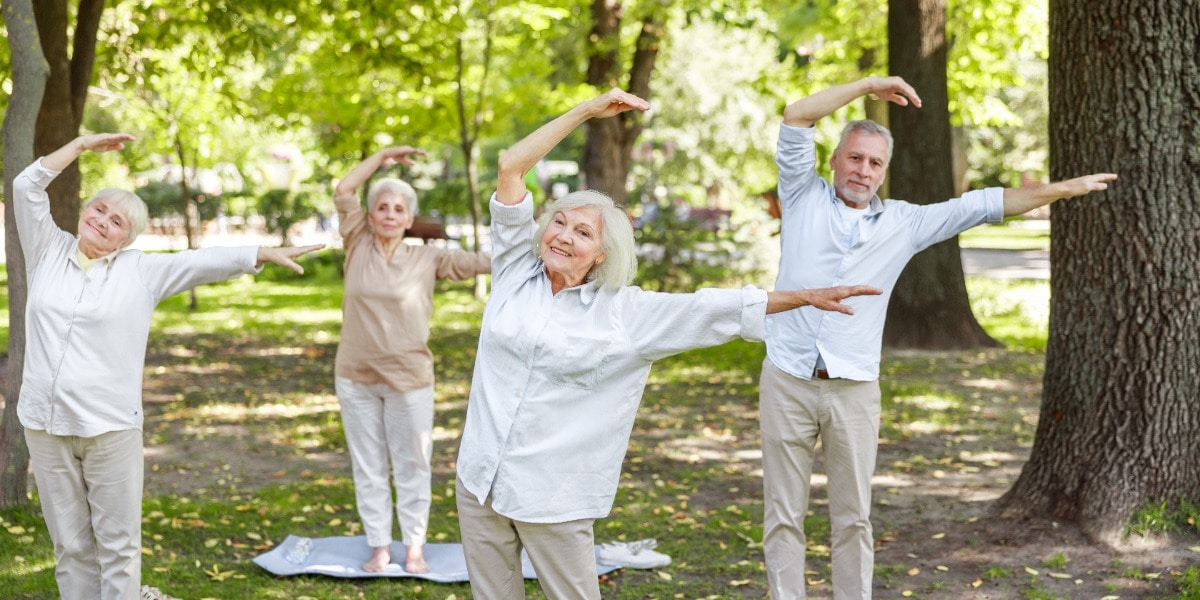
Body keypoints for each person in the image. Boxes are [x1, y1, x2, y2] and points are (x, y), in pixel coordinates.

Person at [453, 88, 883, 600]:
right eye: (559, 222)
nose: (564, 235)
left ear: (601, 254)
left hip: (554, 496)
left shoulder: (626, 313)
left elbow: (711, 308)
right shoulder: (513, 271)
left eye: (582, 232)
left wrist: (805, 296)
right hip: (479, 479)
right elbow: (510, 167)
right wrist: (587, 111)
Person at [759, 76, 1117, 599]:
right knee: (782, 515)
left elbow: (984, 204)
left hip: (854, 389)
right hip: (787, 377)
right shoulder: (801, 194)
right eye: (855, 158)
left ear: (885, 172)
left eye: (874, 163)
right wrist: (868, 87)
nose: (863, 171)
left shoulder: (904, 223)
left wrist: (1060, 190)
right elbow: (795, 114)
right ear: (834, 160)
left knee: (853, 518)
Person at [13, 133, 322, 600]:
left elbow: (199, 262)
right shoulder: (47, 251)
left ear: (127, 239)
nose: (103, 221)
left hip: (109, 429)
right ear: (84, 211)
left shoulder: (140, 271)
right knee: (70, 546)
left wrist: (259, 253)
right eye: (99, 209)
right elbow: (24, 186)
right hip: (44, 424)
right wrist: (79, 146)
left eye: (117, 222)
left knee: (118, 548)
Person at [332, 145, 491, 573]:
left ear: (408, 219)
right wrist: (383, 157)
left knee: (412, 465)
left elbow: (478, 263)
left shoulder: (427, 257)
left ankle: (414, 546)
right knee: (368, 466)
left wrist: (539, 248)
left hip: (409, 378)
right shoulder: (356, 244)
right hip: (355, 376)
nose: (388, 213)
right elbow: (345, 188)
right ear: (369, 216)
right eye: (381, 206)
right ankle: (380, 546)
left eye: (397, 208)